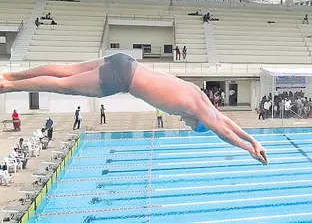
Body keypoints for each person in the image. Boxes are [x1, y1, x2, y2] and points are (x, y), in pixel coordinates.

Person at [0, 53, 268, 165]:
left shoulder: (201, 97)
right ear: (196, 121)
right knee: (65, 85)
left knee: (66, 71)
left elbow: (224, 120)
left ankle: (10, 76)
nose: (184, 124)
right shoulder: (195, 109)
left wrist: (254, 139)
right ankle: (9, 86)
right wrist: (248, 149)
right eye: (189, 125)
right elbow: (223, 131)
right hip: (122, 80)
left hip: (126, 61)